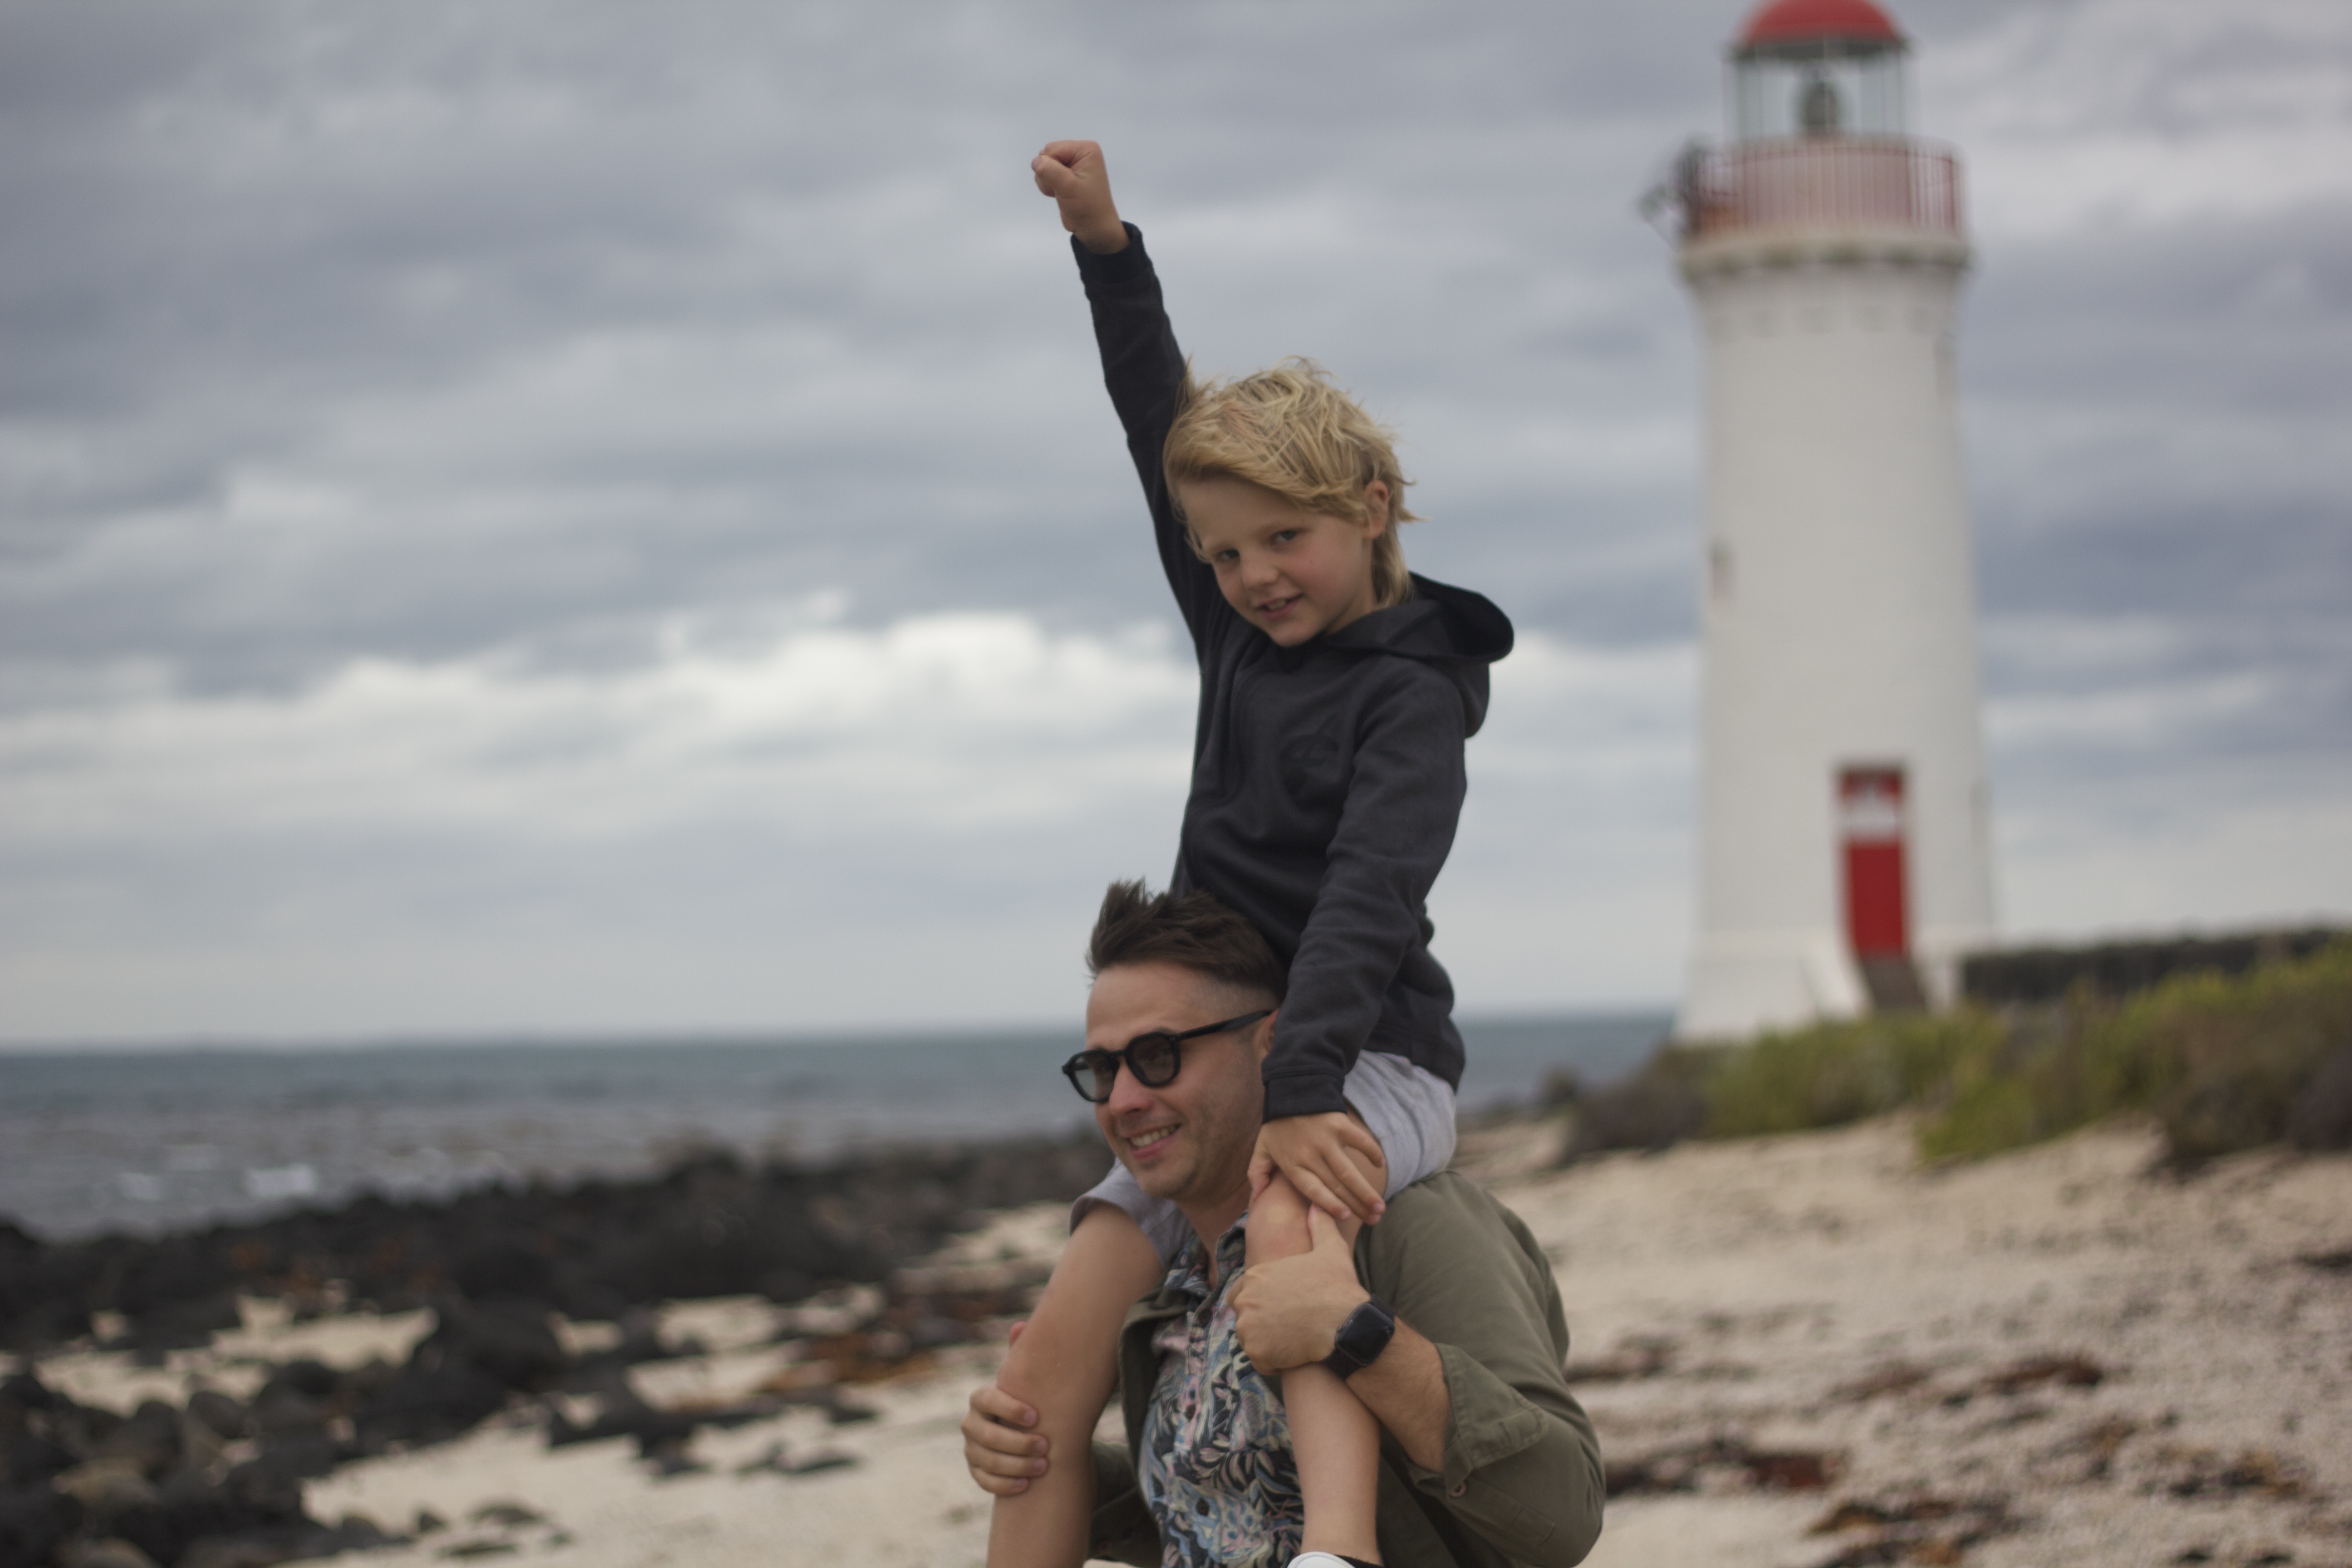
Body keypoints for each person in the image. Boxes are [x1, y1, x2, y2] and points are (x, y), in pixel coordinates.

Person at [982, 138, 1518, 1568]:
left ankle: (1334, 1553)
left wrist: (1302, 1090)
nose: (1253, 577)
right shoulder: (1234, 629)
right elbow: (1151, 409)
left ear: (1371, 511)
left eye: (1286, 539)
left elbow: (1368, 897)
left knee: (1287, 1238)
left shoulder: (1410, 695)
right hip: (1226, 1056)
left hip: (1366, 1057)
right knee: (1054, 1343)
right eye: (1223, 555)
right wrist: (1106, 244)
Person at [965, 882, 1604, 1568]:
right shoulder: (1172, 1294)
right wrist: (1050, 1455)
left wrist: (1362, 1338)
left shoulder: (1415, 1227)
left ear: (1272, 1045)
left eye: (1159, 1056)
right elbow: (1236, 1514)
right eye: (1101, 1068)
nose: (1123, 1100)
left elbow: (1563, 1516)